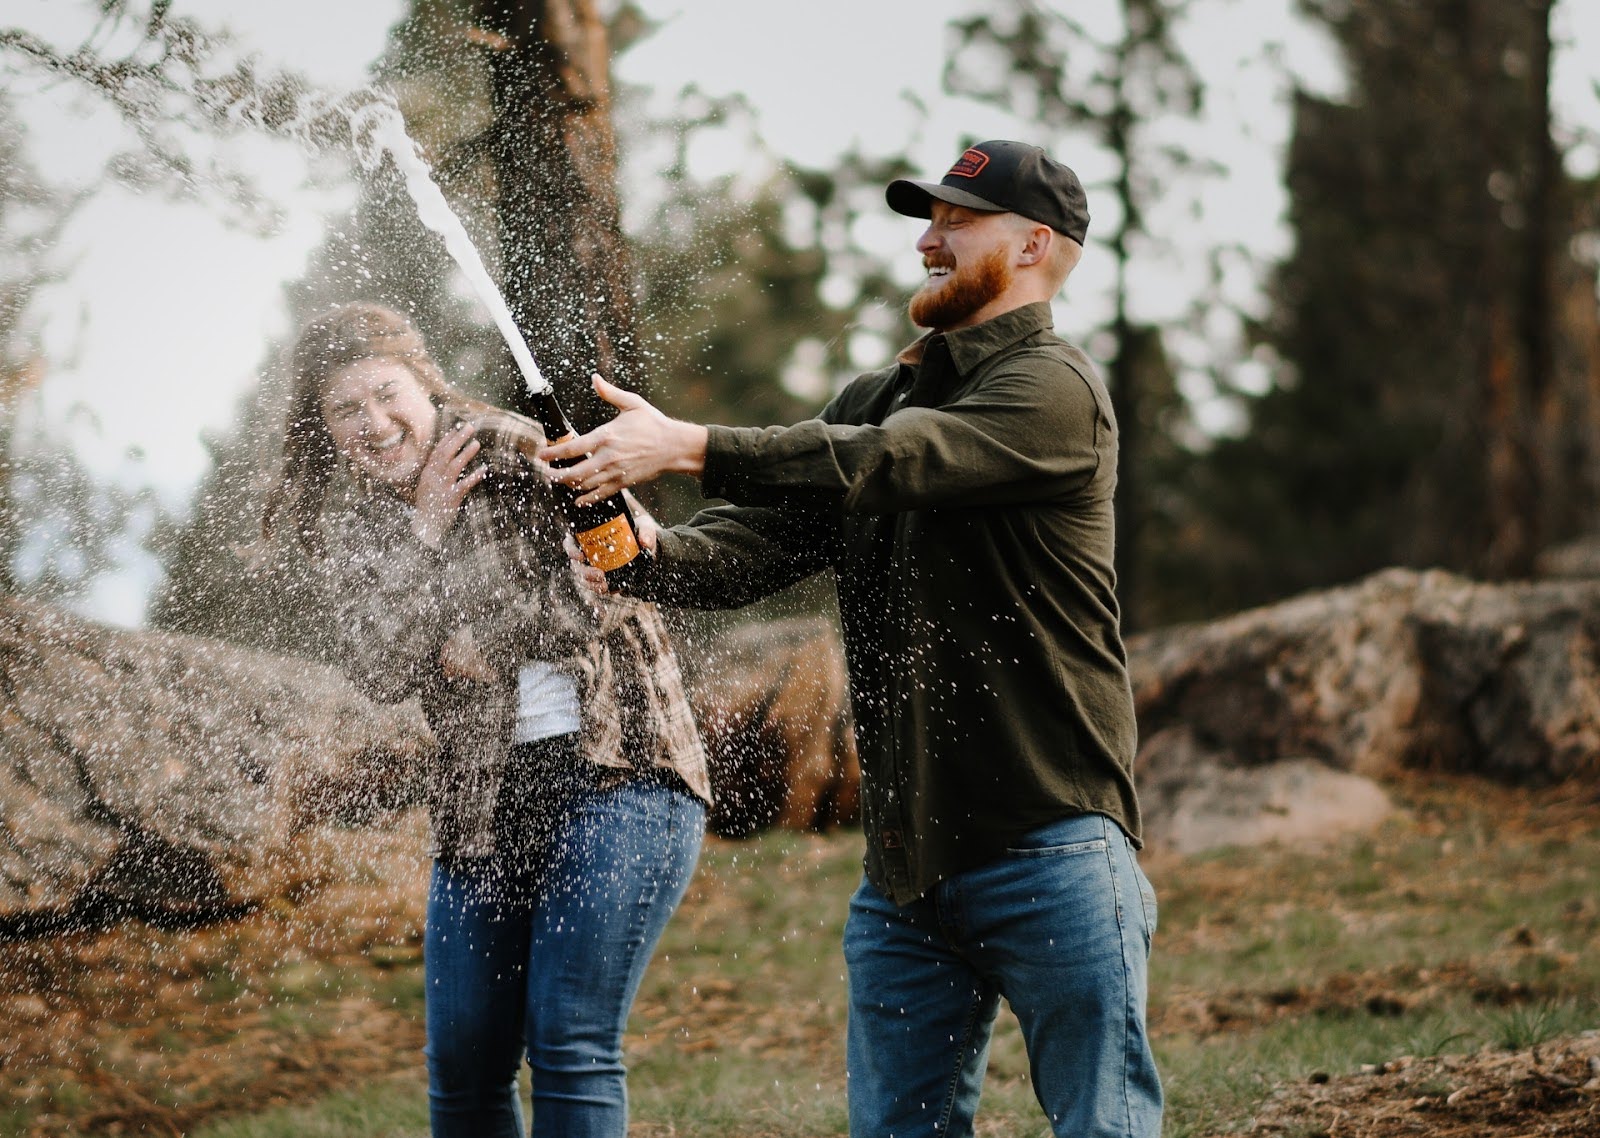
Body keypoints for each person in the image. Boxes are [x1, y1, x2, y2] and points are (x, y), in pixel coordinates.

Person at [540, 140, 1162, 1137]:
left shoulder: (1054, 391)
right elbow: (755, 546)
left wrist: (692, 445)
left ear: (1035, 243)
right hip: (906, 877)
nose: (928, 240)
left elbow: (891, 464)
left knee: (1103, 1123)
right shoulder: (877, 397)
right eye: (929, 219)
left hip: (1052, 844)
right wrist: (643, 557)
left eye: (958, 221)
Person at [262, 302, 711, 1138]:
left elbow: (605, 594)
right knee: (465, 1061)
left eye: (385, 394)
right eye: (345, 410)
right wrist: (426, 536)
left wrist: (467, 635)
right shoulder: (352, 520)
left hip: (618, 770)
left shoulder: (516, 449)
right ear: (322, 426)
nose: (374, 422)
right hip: (483, 796)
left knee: (568, 1038)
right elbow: (378, 668)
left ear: (425, 382)